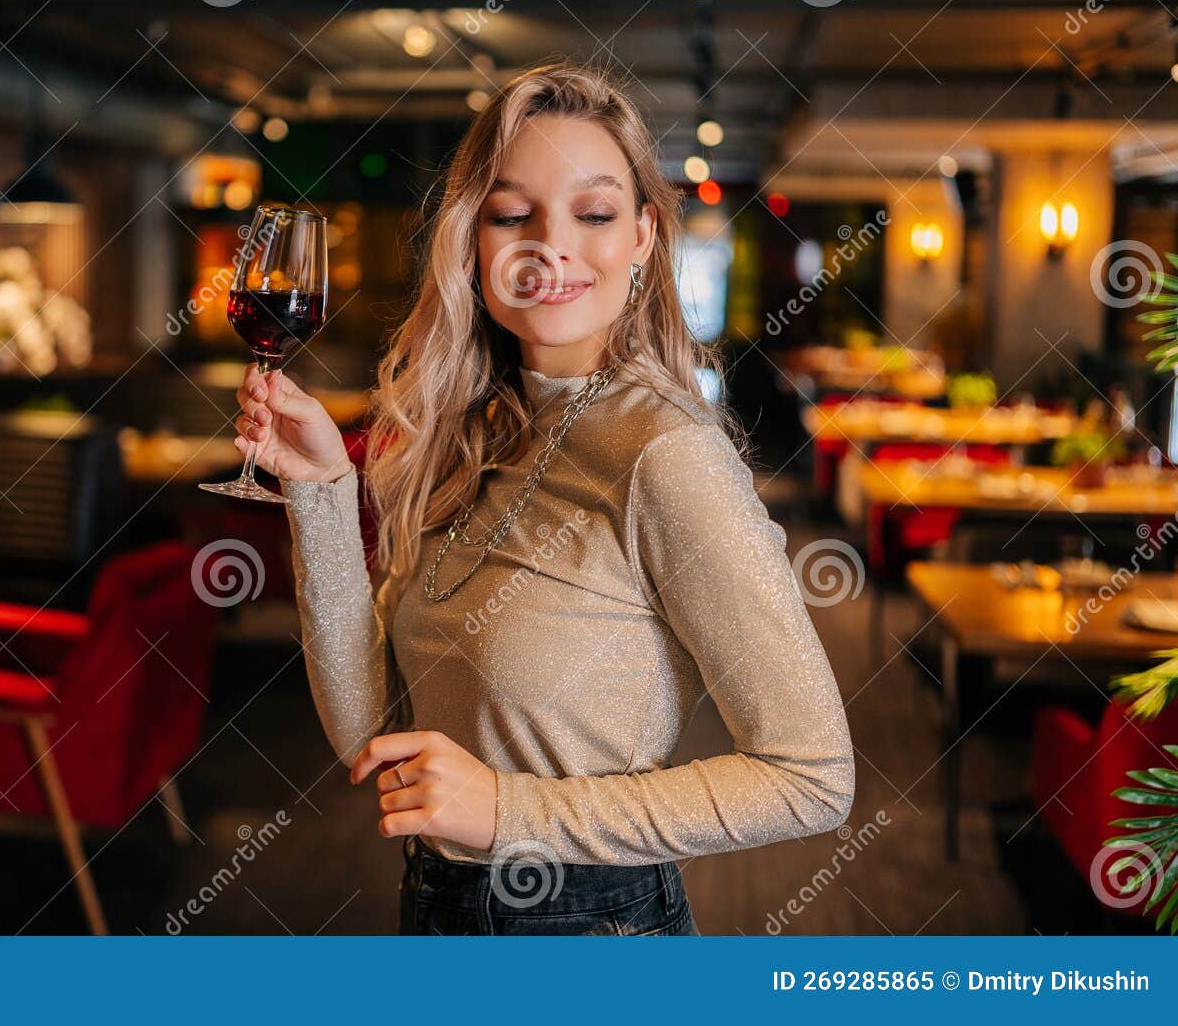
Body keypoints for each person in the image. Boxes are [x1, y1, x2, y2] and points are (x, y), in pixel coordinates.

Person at [231, 61, 855, 935]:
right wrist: (324, 495)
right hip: (439, 909)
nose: (549, 246)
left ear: (642, 235)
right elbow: (370, 734)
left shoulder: (667, 452)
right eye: (512, 214)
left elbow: (813, 775)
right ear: (473, 240)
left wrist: (510, 812)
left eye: (593, 213)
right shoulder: (473, 431)